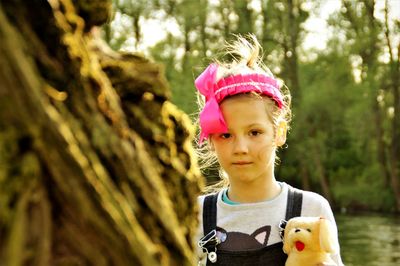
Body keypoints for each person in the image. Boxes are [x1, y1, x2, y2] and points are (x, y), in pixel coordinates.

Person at [194, 34, 344, 266]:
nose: (241, 148)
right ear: (211, 140)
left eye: (254, 132)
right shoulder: (197, 214)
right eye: (226, 135)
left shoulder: (312, 208)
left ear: (279, 132)